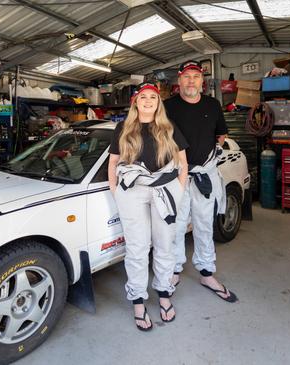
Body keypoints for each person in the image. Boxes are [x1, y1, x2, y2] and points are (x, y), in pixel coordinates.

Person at [108, 81, 189, 331]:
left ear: (158, 103)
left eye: (153, 98)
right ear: (136, 101)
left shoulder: (168, 127)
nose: (148, 101)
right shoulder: (124, 128)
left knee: (165, 244)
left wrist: (179, 188)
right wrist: (116, 191)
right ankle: (138, 301)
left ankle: (164, 294)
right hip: (132, 191)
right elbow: (113, 162)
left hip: (165, 189)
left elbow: (183, 163)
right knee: (137, 247)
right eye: (143, 97)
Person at [164, 60, 238, 303]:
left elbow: (221, 132)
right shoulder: (167, 107)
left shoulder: (213, 105)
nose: (191, 81)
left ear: (201, 81)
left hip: (204, 176)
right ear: (179, 79)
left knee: (204, 225)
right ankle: (174, 271)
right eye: (187, 77)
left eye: (196, 77)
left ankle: (207, 273)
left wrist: (215, 151)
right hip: (177, 177)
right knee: (175, 226)